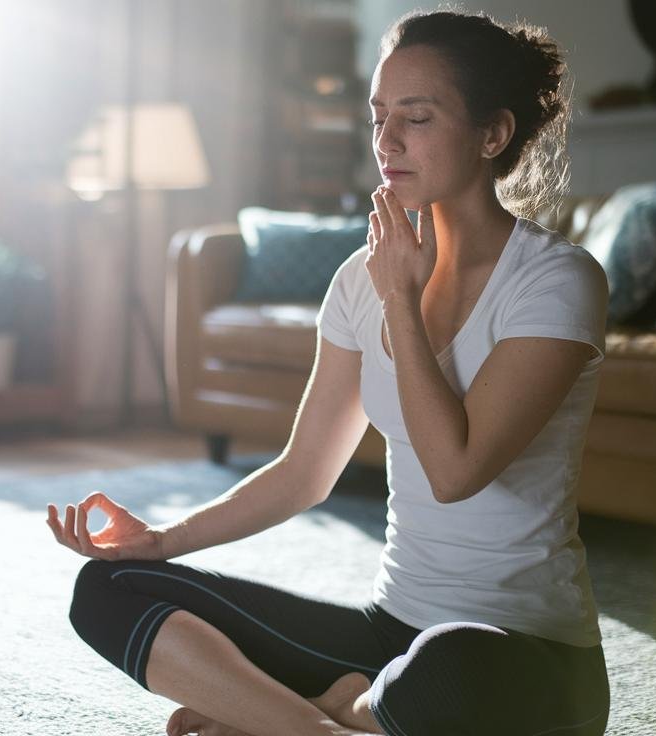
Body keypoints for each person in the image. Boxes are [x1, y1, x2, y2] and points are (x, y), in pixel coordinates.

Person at [47, 9, 611, 736]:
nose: (387, 142)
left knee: (450, 669)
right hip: (388, 639)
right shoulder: (357, 279)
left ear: (493, 134)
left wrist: (402, 301)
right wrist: (163, 540)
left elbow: (455, 469)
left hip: (524, 661)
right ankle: (329, 725)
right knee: (108, 587)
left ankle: (292, 717)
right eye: (379, 118)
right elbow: (304, 471)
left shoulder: (557, 282)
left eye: (417, 117)